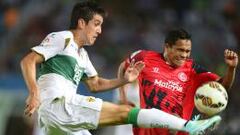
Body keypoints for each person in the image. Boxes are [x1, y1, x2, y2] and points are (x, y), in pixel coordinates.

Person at [20, 2, 222, 135]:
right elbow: (28, 61)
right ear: (82, 23)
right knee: (126, 112)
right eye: (96, 24)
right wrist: (34, 93)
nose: (99, 30)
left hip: (60, 120)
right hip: (59, 104)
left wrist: (124, 80)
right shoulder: (63, 37)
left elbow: (96, 84)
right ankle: (188, 126)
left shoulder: (82, 55)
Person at [119, 28, 239, 135]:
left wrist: (231, 68)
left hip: (176, 132)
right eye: (180, 50)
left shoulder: (192, 70)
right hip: (144, 131)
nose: (184, 55)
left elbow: (222, 87)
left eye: (188, 51)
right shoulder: (144, 57)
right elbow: (123, 66)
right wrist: (123, 98)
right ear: (167, 47)